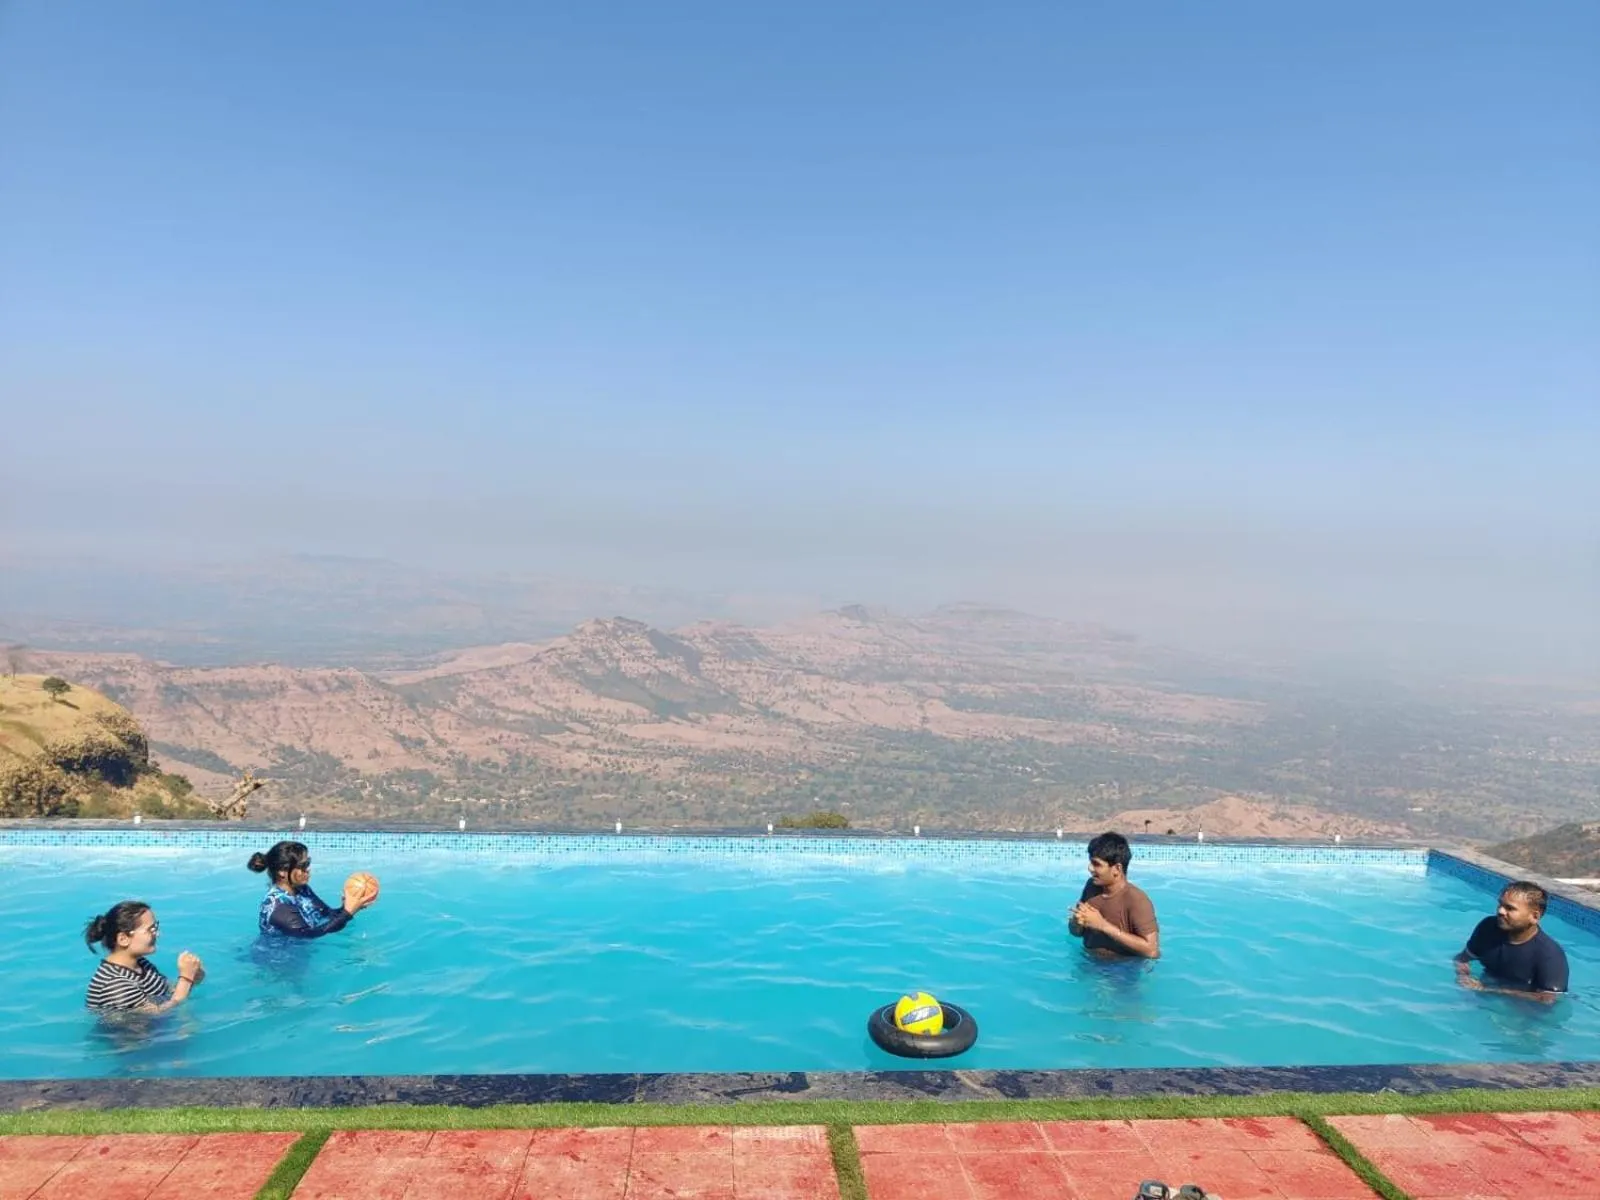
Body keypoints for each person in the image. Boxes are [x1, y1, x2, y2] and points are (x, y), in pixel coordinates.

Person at [1454, 881, 1568, 1003]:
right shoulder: (1487, 928)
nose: (1500, 911)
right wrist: (1464, 976)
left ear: (1534, 917)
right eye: (1500, 904)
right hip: (1486, 994)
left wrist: (1489, 990)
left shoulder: (1550, 954)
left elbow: (1548, 999)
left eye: (1510, 908)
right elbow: (1463, 958)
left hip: (1524, 1010)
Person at [84, 900, 204, 1012]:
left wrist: (192, 977)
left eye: (155, 927)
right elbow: (156, 1015)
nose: (157, 934)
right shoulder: (115, 985)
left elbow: (165, 993)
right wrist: (185, 979)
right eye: (150, 930)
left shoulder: (141, 964)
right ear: (123, 939)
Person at [249, 840, 375, 938]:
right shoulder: (278, 906)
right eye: (303, 865)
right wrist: (347, 913)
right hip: (277, 962)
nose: (308, 869)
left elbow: (328, 915)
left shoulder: (303, 890)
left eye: (308, 863)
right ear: (282, 872)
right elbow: (308, 934)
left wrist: (349, 906)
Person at [1068, 831, 1160, 959]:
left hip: (1123, 969)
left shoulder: (1136, 900)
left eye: (1097, 864)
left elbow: (1151, 951)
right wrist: (1076, 923)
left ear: (1117, 869)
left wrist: (1102, 925)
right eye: (1090, 862)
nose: (1090, 868)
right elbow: (1076, 933)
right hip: (1089, 962)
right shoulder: (1091, 887)